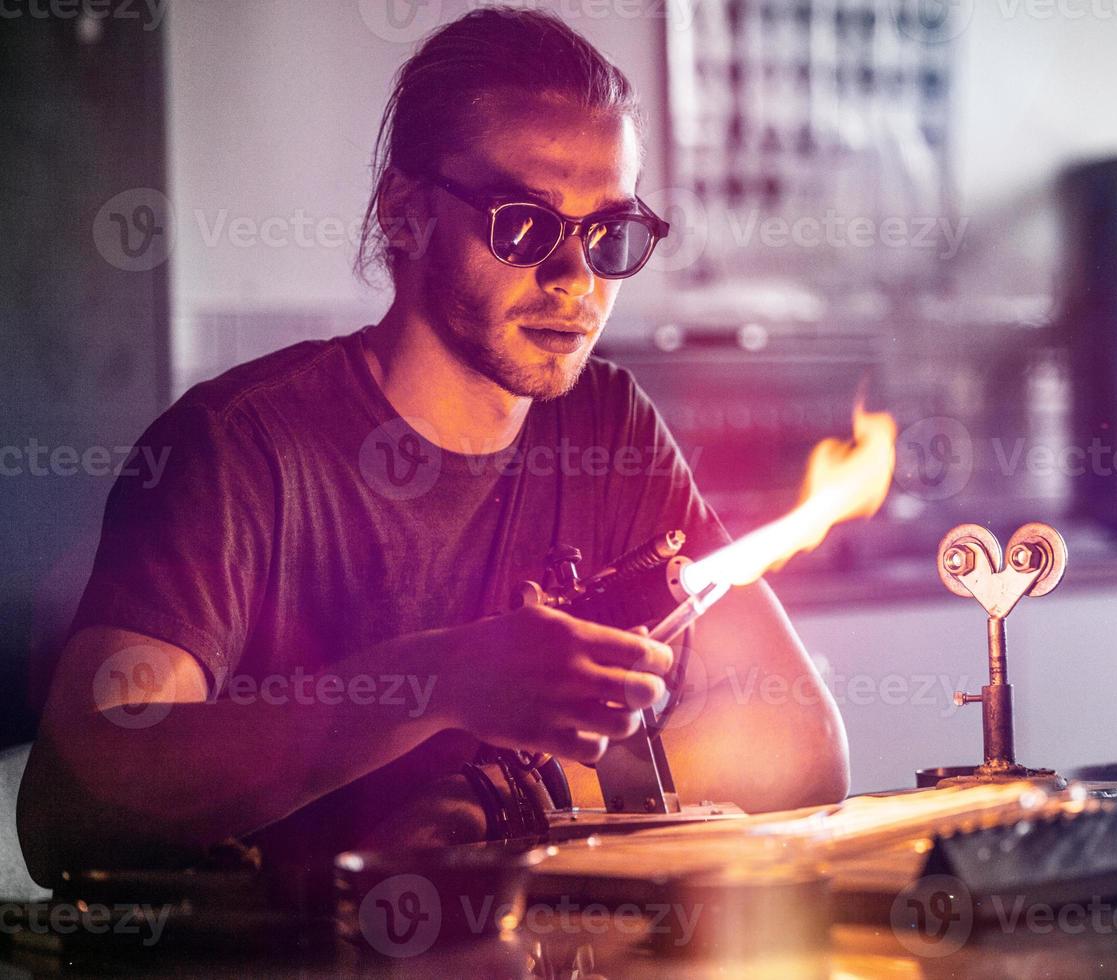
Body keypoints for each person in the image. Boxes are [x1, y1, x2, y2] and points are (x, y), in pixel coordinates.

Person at [18, 5, 847, 886]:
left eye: (610, 236)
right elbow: (75, 808)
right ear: (407, 214)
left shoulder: (603, 422)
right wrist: (435, 680)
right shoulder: (242, 450)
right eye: (524, 224)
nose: (574, 281)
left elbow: (798, 744)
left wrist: (508, 800)